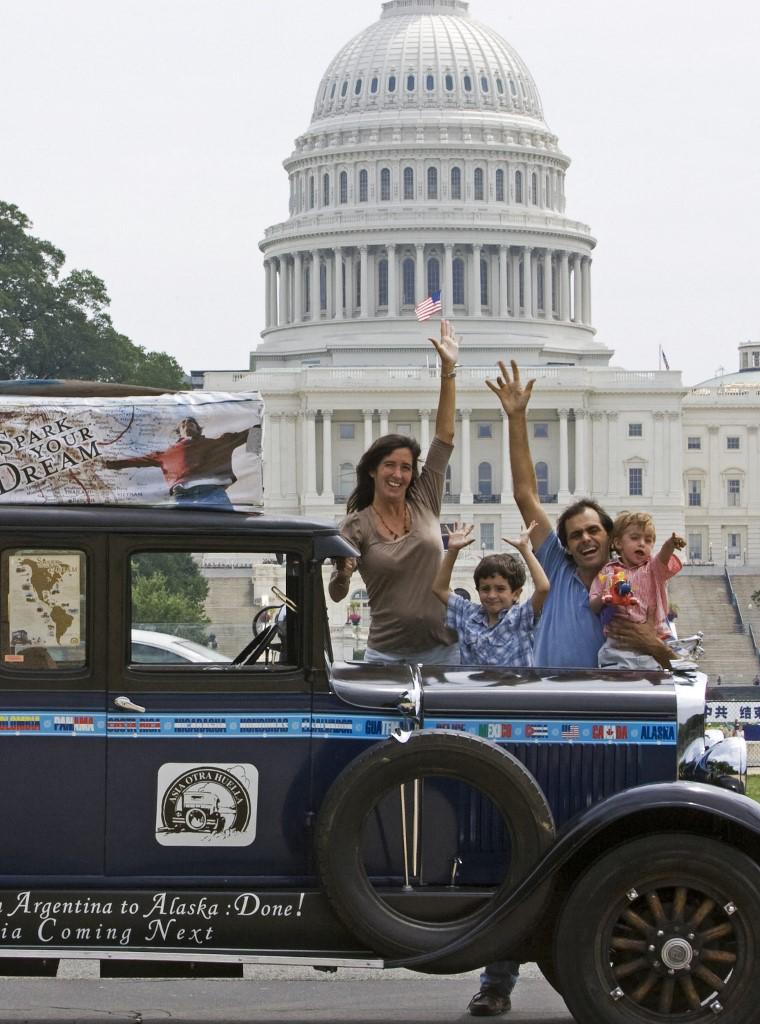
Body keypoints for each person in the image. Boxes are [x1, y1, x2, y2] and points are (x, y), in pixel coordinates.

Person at [461, 360, 675, 1018]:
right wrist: (517, 418)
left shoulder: (625, 586)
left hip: (605, 731)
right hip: (543, 723)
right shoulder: (553, 562)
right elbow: (527, 492)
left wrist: (652, 642)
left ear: (609, 539)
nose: (583, 539)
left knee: (599, 856)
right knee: (522, 851)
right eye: (574, 532)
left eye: (592, 532)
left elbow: (664, 649)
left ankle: (609, 975)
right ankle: (497, 979)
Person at [328, 320, 459, 663]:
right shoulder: (355, 525)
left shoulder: (425, 499)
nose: (398, 475)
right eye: (390, 465)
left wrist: (448, 370)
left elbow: (444, 437)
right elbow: (337, 594)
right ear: (372, 469)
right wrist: (343, 574)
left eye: (406, 467)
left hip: (443, 650)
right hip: (386, 655)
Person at [432, 520, 549, 666]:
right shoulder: (468, 614)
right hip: (475, 682)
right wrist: (452, 551)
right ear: (478, 590)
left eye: (500, 589)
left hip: (514, 681)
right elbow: (439, 589)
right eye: (485, 589)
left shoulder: (520, 617)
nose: (492, 595)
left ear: (516, 593)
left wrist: (525, 549)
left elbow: (543, 588)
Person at [589, 512, 685, 669]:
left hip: (656, 636)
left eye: (648, 540)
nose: (642, 544)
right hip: (619, 640)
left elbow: (663, 557)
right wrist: (604, 597)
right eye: (635, 538)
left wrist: (670, 545)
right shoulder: (607, 571)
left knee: (666, 672)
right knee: (614, 669)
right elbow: (593, 604)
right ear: (618, 543)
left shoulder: (653, 568)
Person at [103, 417, 260, 506]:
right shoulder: (166, 454)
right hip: (182, 496)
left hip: (213, 493)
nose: (187, 425)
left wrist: (254, 454)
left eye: (191, 422)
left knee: (227, 530)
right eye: (183, 424)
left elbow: (253, 431)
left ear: (198, 429)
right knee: (179, 536)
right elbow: (135, 461)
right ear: (179, 432)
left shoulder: (216, 443)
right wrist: (108, 464)